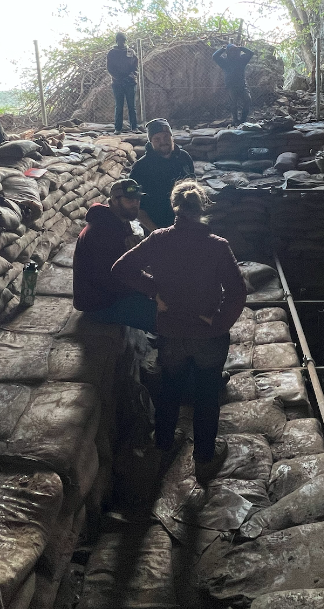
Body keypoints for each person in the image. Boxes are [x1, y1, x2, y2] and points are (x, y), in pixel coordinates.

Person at [112, 180, 247, 483]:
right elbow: (238, 292)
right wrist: (219, 321)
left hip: (172, 332)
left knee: (170, 390)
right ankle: (204, 458)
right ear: (202, 209)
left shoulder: (159, 239)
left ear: (174, 207)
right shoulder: (218, 246)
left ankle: (162, 446)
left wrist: (154, 291)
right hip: (207, 335)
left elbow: (121, 269)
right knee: (207, 395)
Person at [72, 178, 156, 332]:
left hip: (111, 295)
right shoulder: (102, 231)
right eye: (130, 200)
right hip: (99, 304)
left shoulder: (119, 221)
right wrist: (153, 288)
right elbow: (113, 279)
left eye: (137, 199)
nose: (135, 204)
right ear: (115, 201)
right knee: (164, 314)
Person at [128, 118, 195, 231]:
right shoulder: (141, 167)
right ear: (151, 141)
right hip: (156, 229)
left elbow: (194, 190)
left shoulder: (184, 158)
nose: (163, 142)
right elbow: (135, 205)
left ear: (172, 137)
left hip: (186, 226)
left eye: (166, 137)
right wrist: (157, 233)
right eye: (157, 139)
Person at [212, 41, 255, 125]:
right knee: (234, 103)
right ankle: (235, 120)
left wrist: (241, 48)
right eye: (231, 50)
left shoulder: (241, 60)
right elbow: (214, 56)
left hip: (242, 84)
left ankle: (243, 120)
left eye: (235, 50)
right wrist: (223, 49)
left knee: (247, 100)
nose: (234, 52)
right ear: (228, 52)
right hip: (231, 85)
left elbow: (251, 53)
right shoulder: (225, 62)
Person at [107, 31, 140, 134]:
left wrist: (131, 76)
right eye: (120, 40)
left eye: (123, 40)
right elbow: (110, 68)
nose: (122, 42)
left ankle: (134, 127)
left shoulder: (131, 52)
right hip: (117, 83)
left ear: (125, 41)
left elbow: (135, 66)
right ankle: (118, 128)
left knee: (132, 106)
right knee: (119, 106)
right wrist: (118, 77)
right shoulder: (112, 53)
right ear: (116, 41)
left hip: (130, 82)